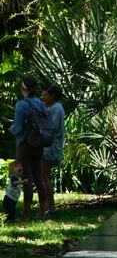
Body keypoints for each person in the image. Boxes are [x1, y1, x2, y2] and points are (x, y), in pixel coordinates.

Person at [9, 76, 49, 221]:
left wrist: (11, 130)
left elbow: (18, 127)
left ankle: (25, 214)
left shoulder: (21, 105)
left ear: (23, 89)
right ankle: (43, 211)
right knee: (39, 177)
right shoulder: (41, 103)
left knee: (26, 178)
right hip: (38, 144)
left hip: (24, 145)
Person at [41, 85, 66, 216]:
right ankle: (49, 207)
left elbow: (52, 127)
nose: (43, 97)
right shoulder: (52, 108)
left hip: (50, 147)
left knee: (44, 176)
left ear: (52, 96)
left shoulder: (57, 108)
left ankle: (50, 207)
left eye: (45, 95)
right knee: (43, 176)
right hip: (47, 145)